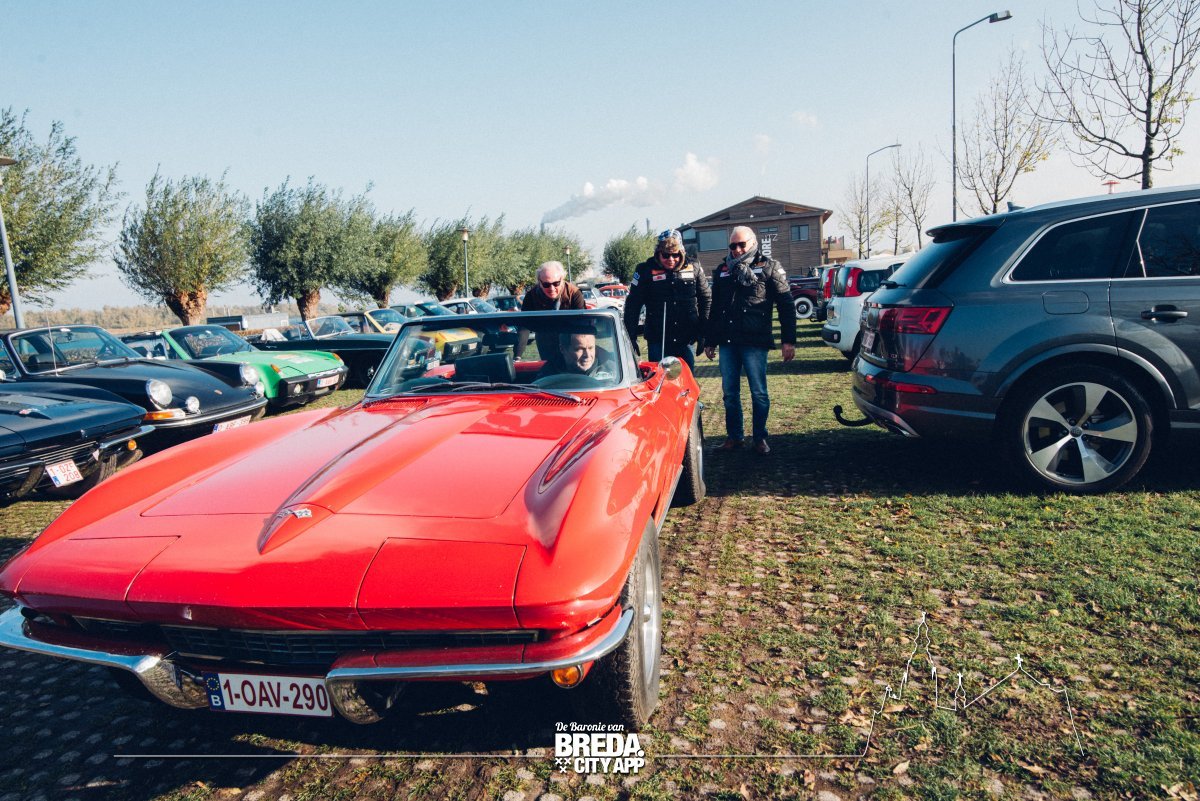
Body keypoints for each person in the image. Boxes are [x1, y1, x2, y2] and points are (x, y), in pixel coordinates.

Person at [703, 225, 796, 455]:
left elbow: (786, 305)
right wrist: (710, 340)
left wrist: (788, 340)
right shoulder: (723, 270)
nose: (736, 249)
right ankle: (735, 437)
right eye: (732, 245)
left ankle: (759, 438)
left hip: (755, 341)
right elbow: (715, 308)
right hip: (728, 341)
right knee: (729, 393)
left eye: (741, 244)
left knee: (759, 393)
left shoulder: (769, 267)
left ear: (753, 243)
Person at [623, 229, 711, 372]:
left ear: (681, 253)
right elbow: (633, 304)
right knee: (659, 380)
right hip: (658, 338)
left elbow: (706, 299)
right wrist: (631, 337)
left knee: (685, 380)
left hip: (686, 337)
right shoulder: (645, 270)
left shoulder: (694, 266)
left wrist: (704, 333)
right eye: (666, 255)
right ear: (658, 253)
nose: (671, 259)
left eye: (675, 255)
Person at [536, 332, 617, 381]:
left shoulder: (614, 370)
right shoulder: (548, 374)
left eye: (591, 348)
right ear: (563, 349)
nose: (587, 355)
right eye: (579, 349)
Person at [520, 261, 586, 312]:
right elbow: (525, 323)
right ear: (539, 282)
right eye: (546, 285)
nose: (552, 288)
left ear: (562, 280)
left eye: (556, 283)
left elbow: (582, 321)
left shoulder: (574, 293)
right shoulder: (531, 296)